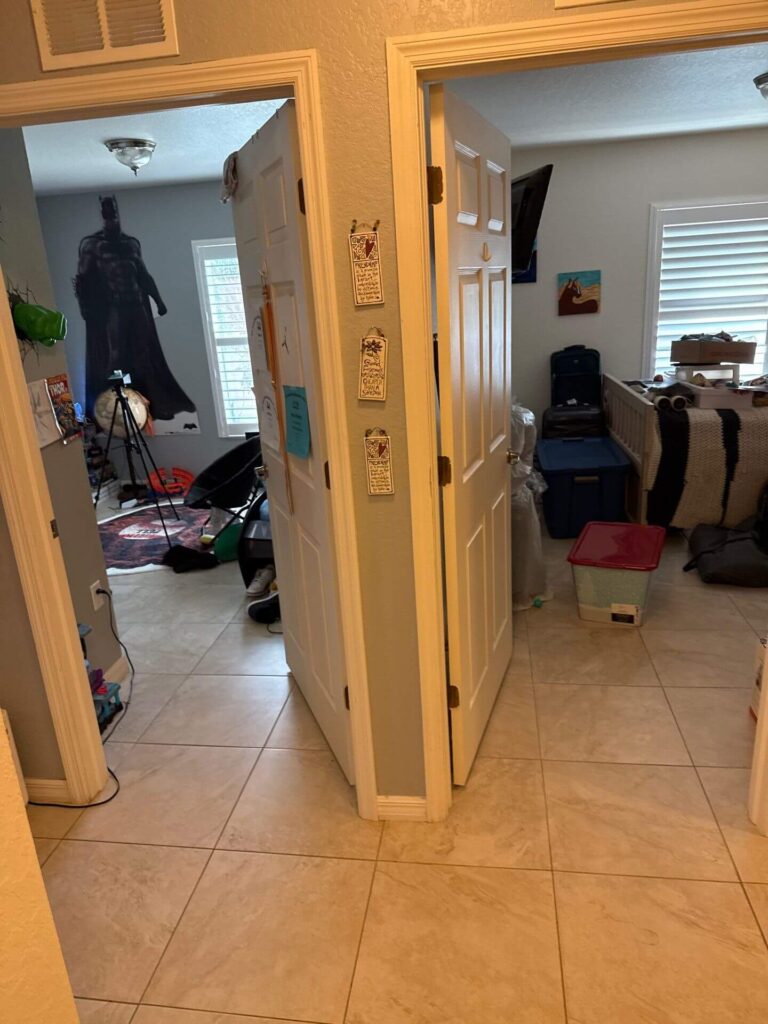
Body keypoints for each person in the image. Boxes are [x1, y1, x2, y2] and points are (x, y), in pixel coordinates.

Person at [75, 195, 197, 423]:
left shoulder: (131, 244)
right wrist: (86, 310)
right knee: (116, 356)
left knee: (145, 354)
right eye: (107, 213)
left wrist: (158, 301)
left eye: (113, 212)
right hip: (113, 308)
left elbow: (143, 275)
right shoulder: (92, 246)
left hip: (136, 305)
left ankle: (154, 404)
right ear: (103, 216)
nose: (111, 218)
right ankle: (115, 409)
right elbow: (83, 281)